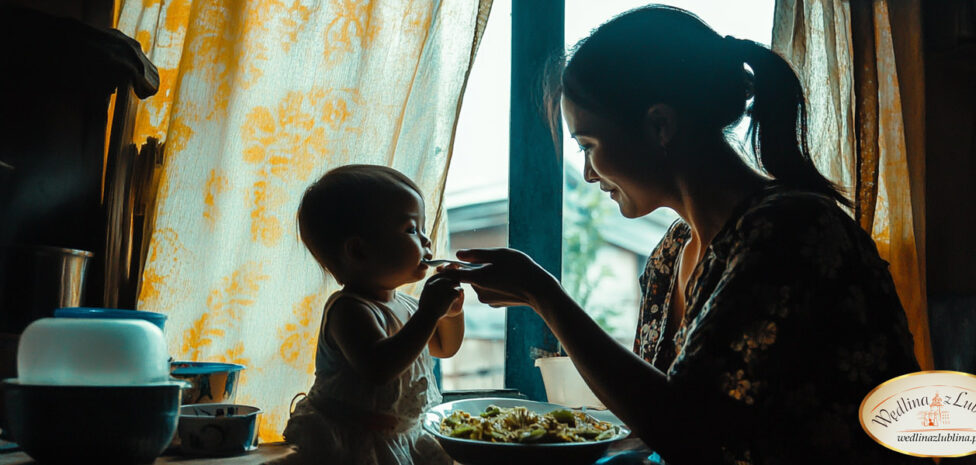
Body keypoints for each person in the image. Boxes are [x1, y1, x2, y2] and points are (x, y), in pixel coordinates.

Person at [440, 5, 923, 464]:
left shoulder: (789, 231)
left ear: (660, 125)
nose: (587, 173)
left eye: (588, 145)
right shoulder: (671, 253)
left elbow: (689, 431)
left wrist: (544, 296)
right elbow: (659, 421)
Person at [282, 164, 464, 465]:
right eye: (411, 229)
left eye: (423, 228)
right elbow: (379, 367)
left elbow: (445, 347)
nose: (426, 240)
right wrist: (430, 313)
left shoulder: (407, 306)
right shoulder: (348, 310)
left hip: (403, 436)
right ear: (359, 251)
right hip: (353, 443)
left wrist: (451, 314)